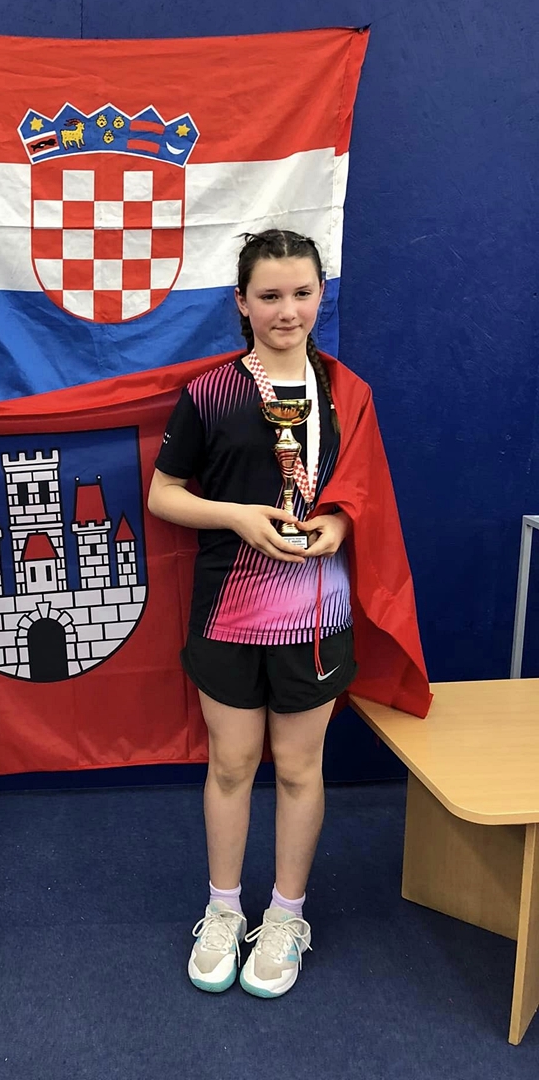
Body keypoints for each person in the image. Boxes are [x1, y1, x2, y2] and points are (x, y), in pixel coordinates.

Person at [147, 229, 428, 1000]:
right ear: (241, 302)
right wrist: (237, 516)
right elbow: (163, 494)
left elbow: (361, 495)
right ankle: (223, 909)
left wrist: (335, 524)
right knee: (232, 764)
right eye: (269, 296)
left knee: (301, 767)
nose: (286, 310)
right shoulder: (209, 393)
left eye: (301, 293)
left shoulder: (347, 392)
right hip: (228, 613)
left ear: (320, 295)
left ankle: (286, 915)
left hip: (315, 614)